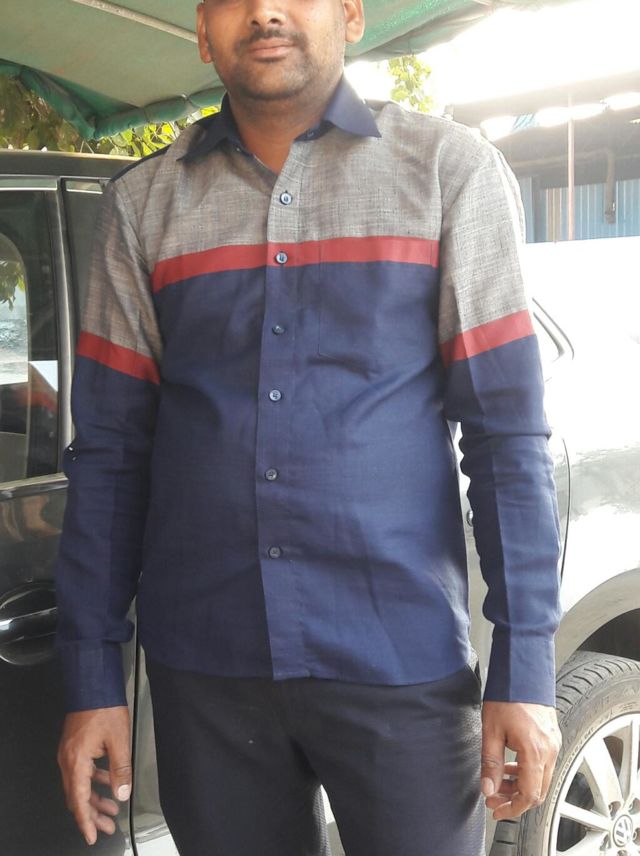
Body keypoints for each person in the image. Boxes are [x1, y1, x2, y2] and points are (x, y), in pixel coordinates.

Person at [55, 1, 563, 854]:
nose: (265, 10)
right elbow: (110, 457)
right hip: (207, 673)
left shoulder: (447, 172)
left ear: (351, 14)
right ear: (203, 30)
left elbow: (505, 436)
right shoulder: (143, 205)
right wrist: (91, 678)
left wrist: (526, 666)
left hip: (400, 662)